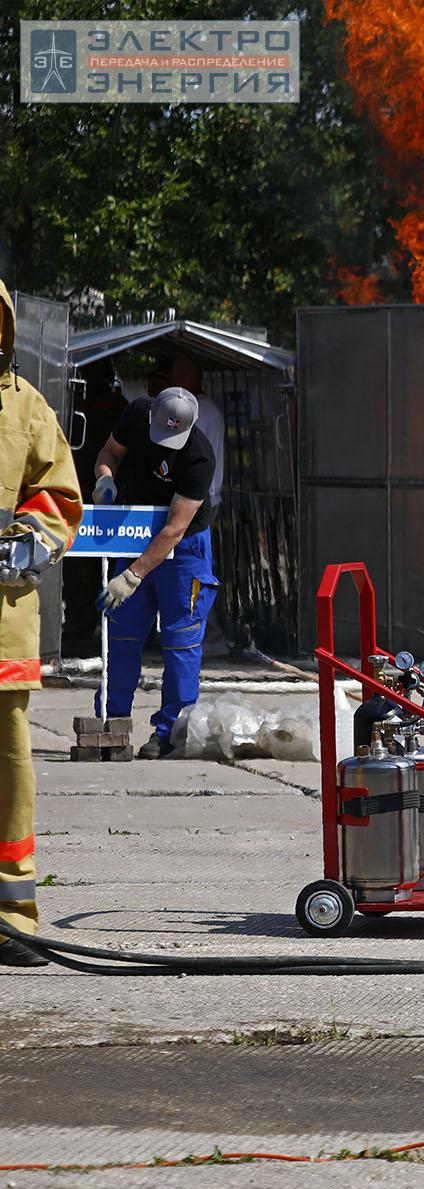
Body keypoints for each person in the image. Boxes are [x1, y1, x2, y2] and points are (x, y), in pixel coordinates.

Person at [0, 279, 84, 965]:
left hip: (2, 624)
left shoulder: (24, 408)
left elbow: (59, 494)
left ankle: (12, 916)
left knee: (10, 768)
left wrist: (22, 541)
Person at [90, 386, 219, 760]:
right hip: (133, 531)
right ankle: (111, 722)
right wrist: (105, 479)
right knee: (123, 631)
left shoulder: (198, 457)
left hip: (183, 548)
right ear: (150, 416)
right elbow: (109, 453)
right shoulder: (135, 414)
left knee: (180, 640)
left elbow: (174, 530)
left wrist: (132, 576)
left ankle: (170, 731)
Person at [165, 358, 225, 508]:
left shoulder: (197, 410)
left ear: (186, 378)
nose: (168, 382)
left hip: (196, 498)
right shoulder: (207, 407)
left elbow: (181, 448)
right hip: (203, 495)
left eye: (172, 376)